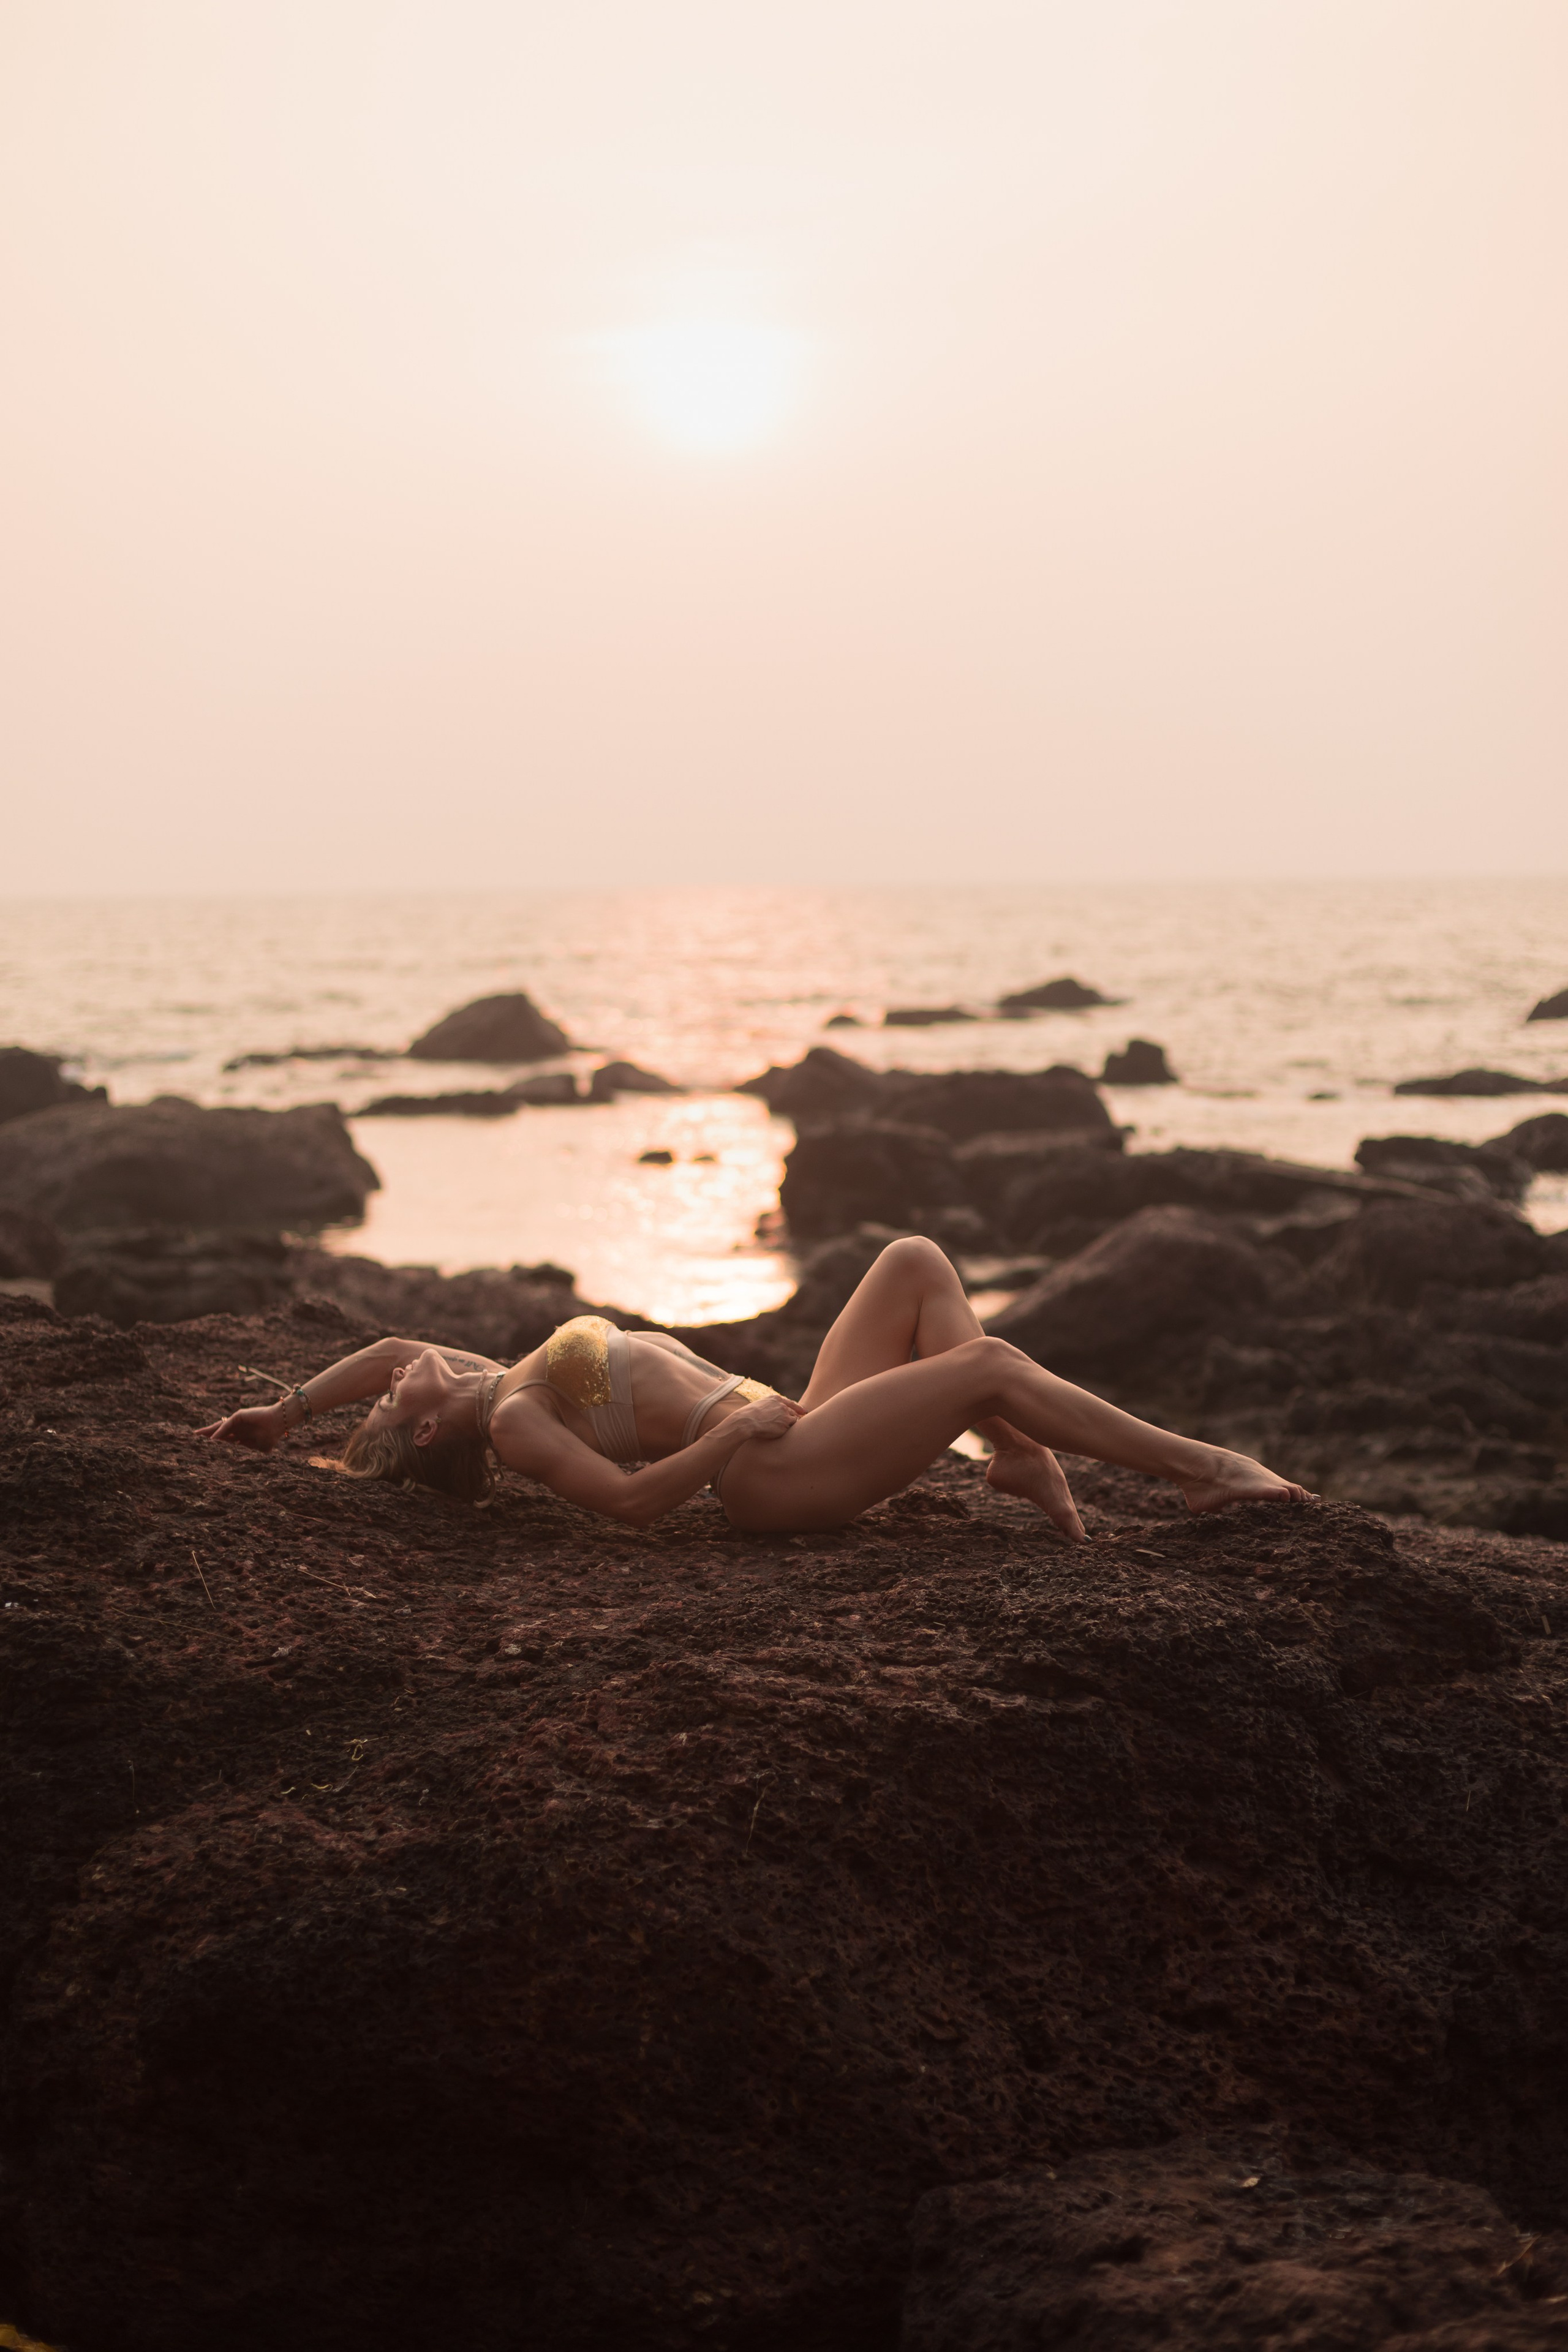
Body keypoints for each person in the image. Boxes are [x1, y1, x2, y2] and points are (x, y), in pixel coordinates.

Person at [197, 1236, 1313, 1538]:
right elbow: (635, 1506)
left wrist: (289, 1413)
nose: (397, 1376)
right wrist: (735, 1446)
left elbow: (380, 1350)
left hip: (785, 1426)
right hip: (773, 1476)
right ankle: (1202, 1472)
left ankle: (1015, 1455)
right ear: (435, 1428)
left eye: (395, 1387)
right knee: (980, 1365)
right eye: (399, 1398)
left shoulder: (484, 1383)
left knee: (916, 1263)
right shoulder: (524, 1423)